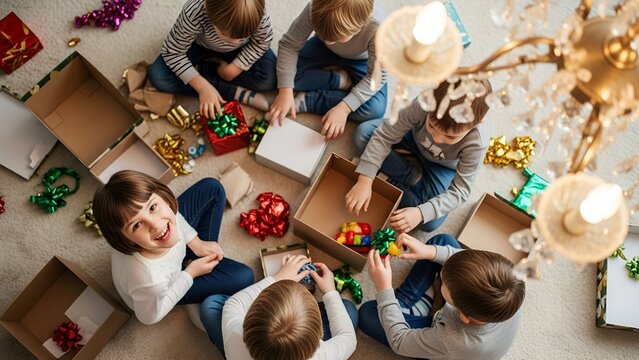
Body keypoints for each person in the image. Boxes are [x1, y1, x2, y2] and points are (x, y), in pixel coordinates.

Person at [92, 170, 254, 325]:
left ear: (161, 196)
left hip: (172, 252)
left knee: (213, 187)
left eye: (152, 207)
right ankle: (195, 281)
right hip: (168, 285)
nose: (156, 224)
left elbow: (173, 215)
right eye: (137, 225)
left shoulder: (163, 212)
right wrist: (190, 274)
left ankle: (197, 260)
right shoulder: (150, 282)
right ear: (125, 239)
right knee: (244, 277)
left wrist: (196, 242)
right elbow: (149, 317)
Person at [346, 79, 492, 232]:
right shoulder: (424, 102)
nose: (436, 138)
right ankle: (412, 178)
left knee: (430, 223)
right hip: (409, 139)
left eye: (449, 137)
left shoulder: (477, 144)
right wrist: (365, 179)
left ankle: (391, 177)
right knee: (363, 134)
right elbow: (385, 135)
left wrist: (420, 213)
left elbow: (460, 191)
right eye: (432, 126)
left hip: (441, 166)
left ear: (478, 123)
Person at [360, 232, 525, 359]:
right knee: (442, 242)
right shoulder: (511, 285)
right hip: (458, 326)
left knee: (367, 313)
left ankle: (410, 304)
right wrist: (429, 251)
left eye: (444, 283)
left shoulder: (452, 340)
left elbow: (400, 342)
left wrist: (384, 288)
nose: (442, 272)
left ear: (463, 315)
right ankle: (408, 305)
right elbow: (461, 259)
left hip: (443, 349)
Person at [268, 0, 388, 140]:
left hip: (361, 61)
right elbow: (289, 45)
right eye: (322, 33)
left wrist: (344, 108)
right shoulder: (316, 7)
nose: (329, 41)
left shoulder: (379, 28)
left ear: (360, 25)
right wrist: (285, 90)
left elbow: (377, 76)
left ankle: (307, 101)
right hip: (321, 50)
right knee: (281, 74)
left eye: (337, 37)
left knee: (375, 109)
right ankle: (339, 80)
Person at [201, 255, 357, 359]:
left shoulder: (235, 334)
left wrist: (276, 278)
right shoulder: (322, 355)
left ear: (248, 320)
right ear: (319, 336)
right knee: (348, 309)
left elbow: (234, 303)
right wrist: (330, 292)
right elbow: (348, 338)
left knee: (211, 305)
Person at [148, 0, 277, 119]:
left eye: (243, 36)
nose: (235, 42)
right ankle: (233, 92)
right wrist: (203, 88)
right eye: (226, 34)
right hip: (198, 46)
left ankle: (202, 70)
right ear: (207, 8)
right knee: (159, 75)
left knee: (270, 77)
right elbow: (172, 52)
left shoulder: (256, 13)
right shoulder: (194, 12)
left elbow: (262, 42)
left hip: (242, 51)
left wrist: (235, 68)